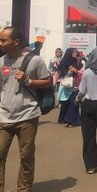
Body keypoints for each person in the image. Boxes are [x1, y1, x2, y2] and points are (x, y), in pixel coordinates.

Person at [0, 27, 51, 191]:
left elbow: (47, 81)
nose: (0, 43)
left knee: (26, 156)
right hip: (3, 116)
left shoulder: (35, 60)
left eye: (3, 40)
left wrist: (28, 81)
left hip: (27, 116)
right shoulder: (1, 61)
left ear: (16, 41)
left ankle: (24, 188)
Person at [56, 48, 84, 127]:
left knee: (73, 103)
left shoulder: (78, 63)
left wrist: (76, 71)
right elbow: (58, 74)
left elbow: (82, 73)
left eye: (76, 52)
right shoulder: (63, 62)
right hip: (65, 87)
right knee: (66, 103)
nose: (76, 53)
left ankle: (71, 121)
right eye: (74, 52)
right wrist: (53, 83)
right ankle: (70, 120)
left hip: (74, 87)